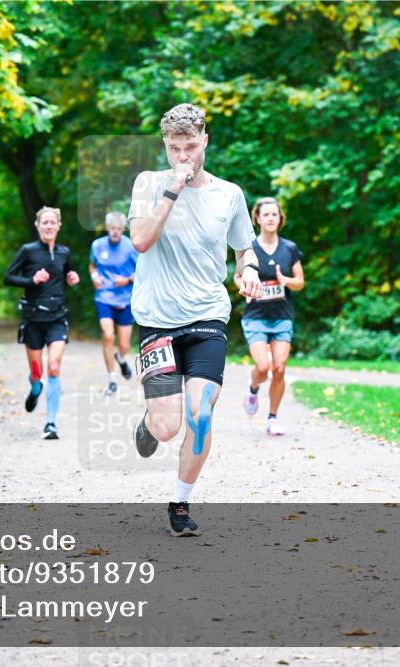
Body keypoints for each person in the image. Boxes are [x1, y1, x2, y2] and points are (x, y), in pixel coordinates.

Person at [127, 103, 262, 536]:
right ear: (164, 146)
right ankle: (149, 424)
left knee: (200, 414)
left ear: (205, 140)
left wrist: (250, 271)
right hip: (157, 319)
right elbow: (142, 241)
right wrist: (173, 190)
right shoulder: (148, 184)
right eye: (173, 148)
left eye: (189, 146)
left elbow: (245, 248)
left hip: (207, 316)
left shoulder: (230, 194)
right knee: (168, 427)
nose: (182, 156)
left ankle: (180, 505)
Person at [4, 206, 80, 440]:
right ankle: (36, 386)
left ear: (58, 225)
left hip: (57, 317)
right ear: (38, 226)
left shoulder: (63, 252)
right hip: (33, 319)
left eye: (52, 222)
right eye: (44, 222)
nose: (48, 226)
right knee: (37, 373)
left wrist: (71, 278)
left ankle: (50, 424)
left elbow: (67, 273)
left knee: (54, 367)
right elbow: (8, 278)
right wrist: (31, 279)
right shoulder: (28, 251)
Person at [234, 197, 305, 436]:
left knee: (280, 368)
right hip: (255, 316)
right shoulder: (249, 247)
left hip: (282, 316)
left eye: (275, 214)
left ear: (280, 218)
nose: (271, 218)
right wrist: (245, 287)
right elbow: (237, 276)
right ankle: (253, 388)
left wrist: (286, 281)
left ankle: (272, 418)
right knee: (263, 366)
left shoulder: (290, 248)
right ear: (257, 218)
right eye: (266, 215)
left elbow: (300, 282)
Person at [89, 211, 138, 395]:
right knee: (108, 335)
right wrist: (94, 276)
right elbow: (92, 265)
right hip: (104, 297)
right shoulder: (97, 245)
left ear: (123, 229)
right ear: (107, 228)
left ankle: (122, 359)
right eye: (112, 228)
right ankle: (112, 379)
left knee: (124, 346)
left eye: (119, 229)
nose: (115, 232)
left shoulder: (131, 246)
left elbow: (141, 271)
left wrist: (126, 280)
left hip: (125, 299)